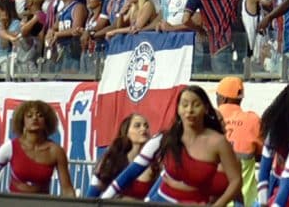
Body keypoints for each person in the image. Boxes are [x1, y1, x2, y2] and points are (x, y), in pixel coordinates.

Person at [99, 85, 242, 203]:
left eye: (196, 105)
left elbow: (236, 183)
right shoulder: (165, 139)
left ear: (205, 108)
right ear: (178, 109)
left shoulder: (219, 143)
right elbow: (129, 174)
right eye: (184, 105)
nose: (189, 110)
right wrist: (101, 201)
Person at [0, 99, 76, 195]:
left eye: (40, 115)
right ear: (22, 121)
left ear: (46, 122)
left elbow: (67, 188)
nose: (35, 118)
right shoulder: (10, 147)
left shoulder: (56, 151)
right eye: (29, 116)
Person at [218, 78, 263, 207]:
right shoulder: (253, 120)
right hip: (246, 201)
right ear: (240, 98)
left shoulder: (209, 119)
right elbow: (261, 156)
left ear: (223, 99)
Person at [92, 115, 155, 200]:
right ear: (126, 132)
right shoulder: (112, 161)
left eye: (146, 126)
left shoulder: (154, 163)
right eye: (137, 126)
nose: (143, 129)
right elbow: (93, 193)